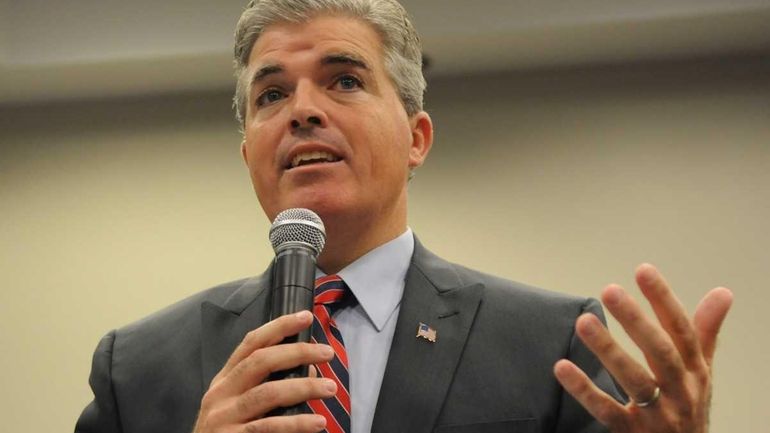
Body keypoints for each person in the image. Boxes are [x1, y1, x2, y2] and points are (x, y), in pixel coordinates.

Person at [75, 1, 734, 432]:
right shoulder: (135, 369)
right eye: (272, 93)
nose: (303, 108)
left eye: (344, 80)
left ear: (416, 137)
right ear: (249, 151)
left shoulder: (556, 347)